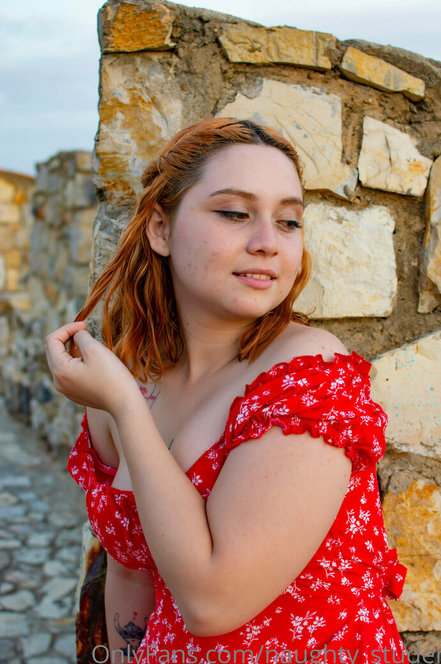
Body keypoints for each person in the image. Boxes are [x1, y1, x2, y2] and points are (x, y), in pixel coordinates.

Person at [46, 118, 408, 664]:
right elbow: (131, 573)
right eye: (235, 213)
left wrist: (124, 408)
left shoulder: (309, 379)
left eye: (288, 221)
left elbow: (212, 602)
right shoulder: (133, 377)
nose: (267, 243)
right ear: (161, 229)